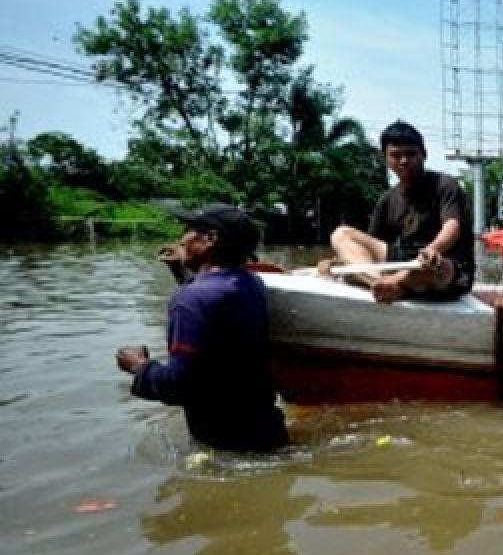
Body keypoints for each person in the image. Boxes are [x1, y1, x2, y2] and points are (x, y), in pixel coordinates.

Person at [115, 204, 289, 452]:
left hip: (227, 449)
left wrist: (139, 366)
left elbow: (178, 386)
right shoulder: (251, 283)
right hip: (268, 434)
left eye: (188, 230)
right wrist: (183, 270)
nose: (181, 238)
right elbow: (215, 313)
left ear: (209, 239)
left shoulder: (190, 300)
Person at [323, 121, 473, 303]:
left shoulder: (445, 185)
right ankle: (383, 284)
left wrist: (432, 250)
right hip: (403, 262)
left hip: (441, 264)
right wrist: (338, 262)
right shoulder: (387, 200)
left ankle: (393, 285)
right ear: (385, 158)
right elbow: (370, 247)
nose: (403, 161)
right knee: (342, 234)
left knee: (435, 269)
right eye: (395, 155)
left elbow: (453, 227)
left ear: (423, 154)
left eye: (410, 154)